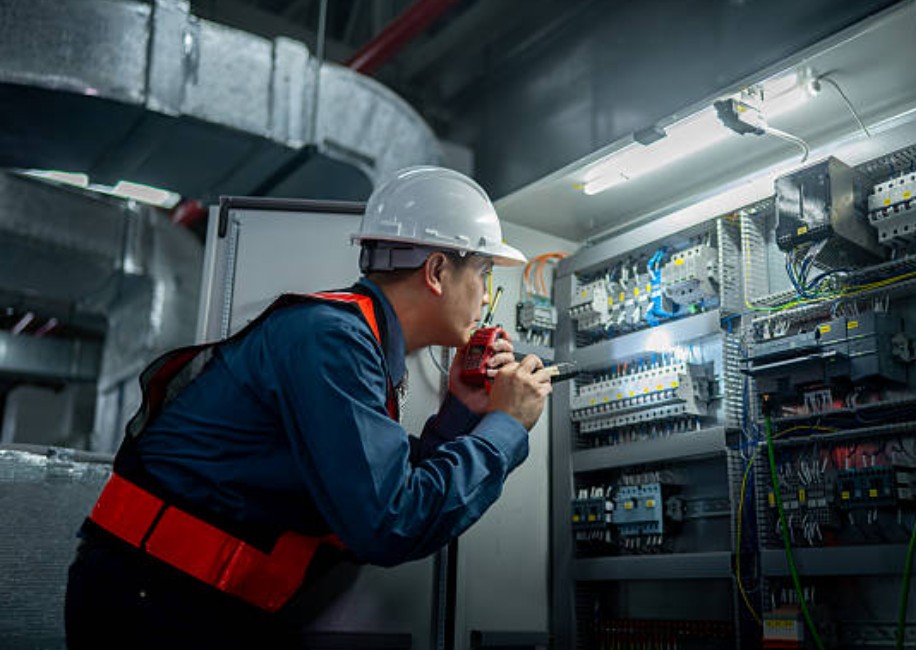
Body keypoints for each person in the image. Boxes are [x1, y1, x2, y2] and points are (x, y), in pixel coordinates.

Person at [64, 166, 553, 650]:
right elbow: (389, 522)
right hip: (155, 605)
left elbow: (381, 483)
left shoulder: (350, 342)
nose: (486, 296)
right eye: (484, 275)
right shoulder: (333, 340)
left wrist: (459, 414)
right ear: (439, 271)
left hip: (183, 600)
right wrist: (506, 426)